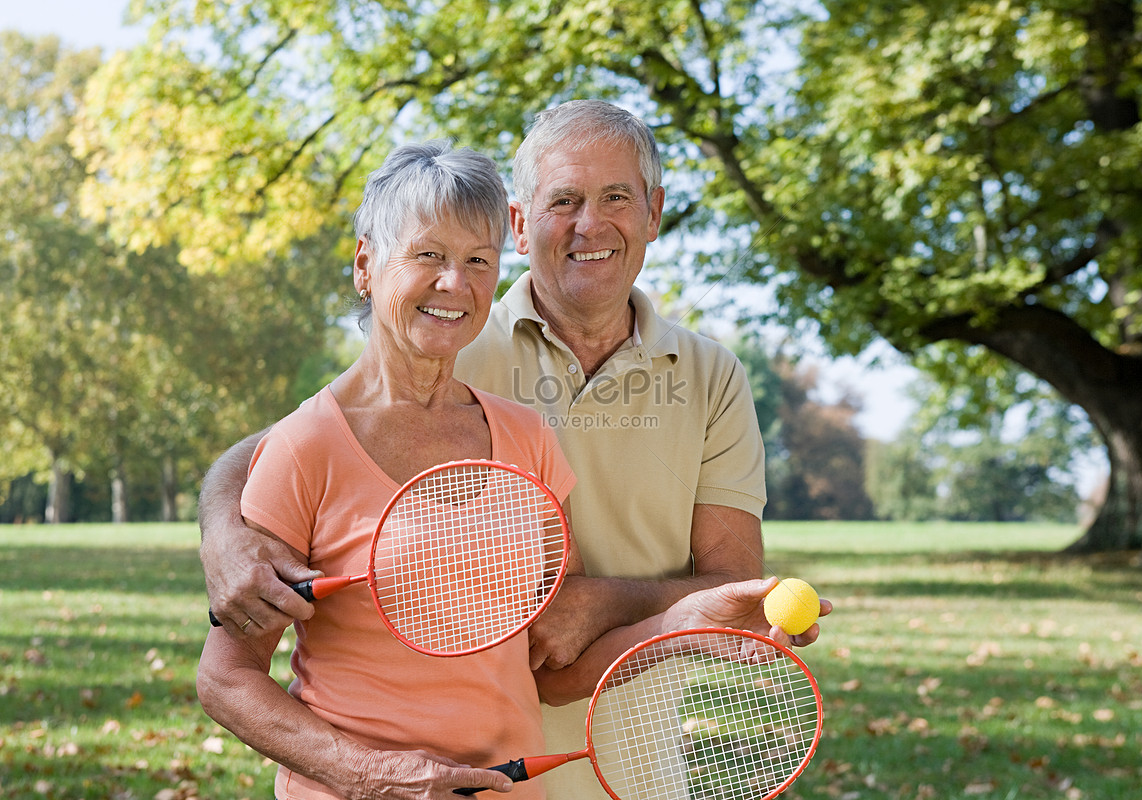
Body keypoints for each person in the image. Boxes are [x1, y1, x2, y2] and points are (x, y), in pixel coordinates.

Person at [199, 101, 832, 800]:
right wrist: (371, 776)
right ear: (366, 266)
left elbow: (556, 663)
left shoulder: (526, 434)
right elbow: (228, 669)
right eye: (428, 256)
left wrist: (684, 621)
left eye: (476, 261)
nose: (455, 284)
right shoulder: (347, 415)